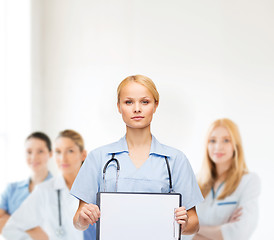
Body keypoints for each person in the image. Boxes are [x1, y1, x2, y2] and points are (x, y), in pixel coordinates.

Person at [70, 75, 204, 239]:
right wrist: (84, 218)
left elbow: (194, 224)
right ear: (119, 107)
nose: (137, 109)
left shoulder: (175, 160)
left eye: (145, 102)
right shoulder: (98, 158)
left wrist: (184, 224)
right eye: (128, 102)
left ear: (156, 105)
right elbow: (77, 221)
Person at [2, 129, 89, 240]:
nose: (63, 158)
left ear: (83, 155)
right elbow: (11, 229)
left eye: (70, 151)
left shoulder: (95, 188)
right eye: (58, 152)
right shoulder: (44, 190)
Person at [193, 118, 261, 240]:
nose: (218, 147)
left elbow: (240, 232)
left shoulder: (248, 181)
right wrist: (223, 230)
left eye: (226, 140)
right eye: (212, 141)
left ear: (236, 145)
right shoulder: (195, 181)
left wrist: (195, 229)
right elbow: (179, 232)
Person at [0, 132, 52, 234]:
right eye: (29, 152)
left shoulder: (59, 191)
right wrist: (33, 230)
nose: (34, 157)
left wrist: (10, 221)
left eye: (40, 151)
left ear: (50, 153)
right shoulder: (11, 189)